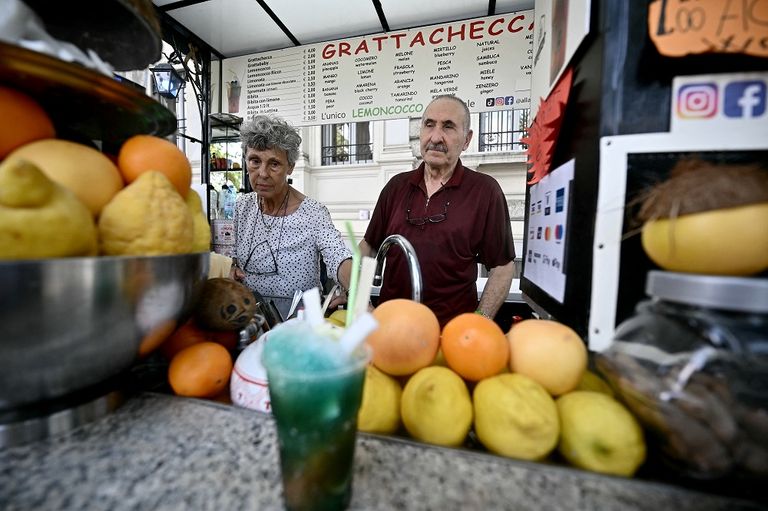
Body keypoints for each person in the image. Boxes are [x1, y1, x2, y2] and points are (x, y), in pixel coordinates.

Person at [360, 95, 516, 326]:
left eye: (448, 127)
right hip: (389, 333)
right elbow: (367, 248)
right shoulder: (396, 186)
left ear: (467, 139)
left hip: (451, 337)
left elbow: (503, 266)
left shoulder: (485, 191)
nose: (435, 137)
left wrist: (479, 322)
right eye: (429, 124)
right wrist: (363, 304)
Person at [231, 115, 352, 319]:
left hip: (301, 328)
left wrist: (356, 288)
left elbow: (337, 256)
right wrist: (233, 268)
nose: (262, 173)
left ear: (290, 167)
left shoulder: (313, 213)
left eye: (274, 164)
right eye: (254, 161)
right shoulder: (243, 207)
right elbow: (235, 257)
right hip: (254, 322)